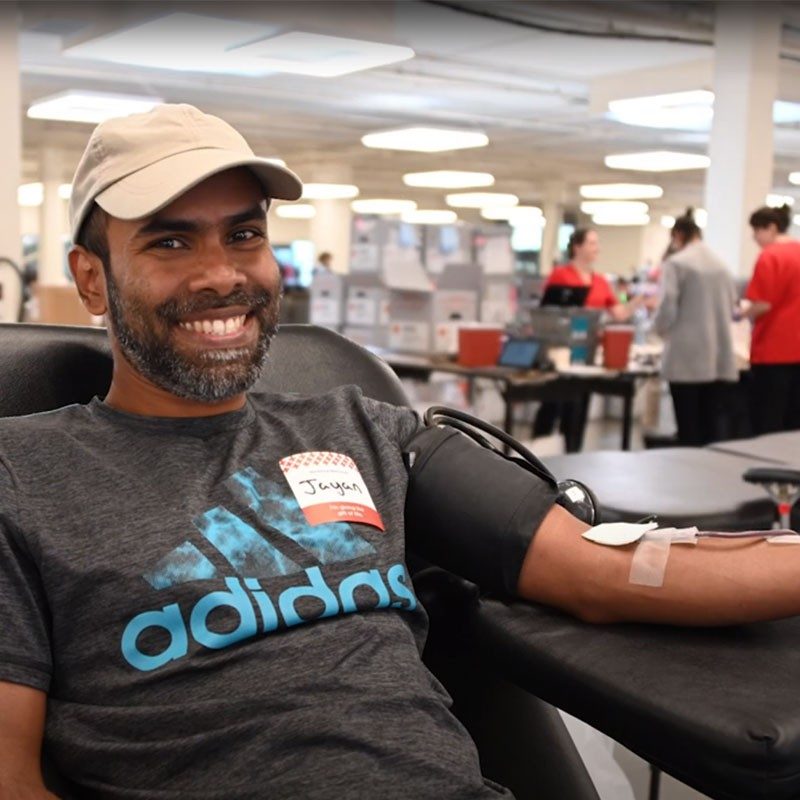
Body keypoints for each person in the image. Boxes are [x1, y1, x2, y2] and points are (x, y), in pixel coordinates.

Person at [4, 105, 800, 800]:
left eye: (244, 234)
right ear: (92, 278)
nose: (222, 274)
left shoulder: (363, 428)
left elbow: (608, 568)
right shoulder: (22, 475)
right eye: (170, 242)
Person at [533, 229, 645, 450]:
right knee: (552, 405)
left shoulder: (601, 281)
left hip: (586, 354)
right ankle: (534, 455)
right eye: (592, 243)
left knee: (578, 408)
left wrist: (638, 301)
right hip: (560, 353)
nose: (597, 248)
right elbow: (546, 313)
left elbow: (619, 313)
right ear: (577, 247)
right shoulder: (561, 275)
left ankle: (573, 455)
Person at [652, 209, 739, 446]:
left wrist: (657, 330)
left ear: (678, 235)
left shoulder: (677, 263)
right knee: (710, 430)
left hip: (686, 358)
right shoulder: (721, 265)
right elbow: (733, 306)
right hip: (717, 358)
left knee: (688, 429)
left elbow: (668, 306)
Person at [743, 204, 800, 434]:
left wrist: (742, 314)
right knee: (794, 421)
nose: (754, 237)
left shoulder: (769, 256)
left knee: (768, 420)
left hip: (773, 350)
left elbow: (763, 304)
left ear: (771, 228)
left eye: (757, 231)